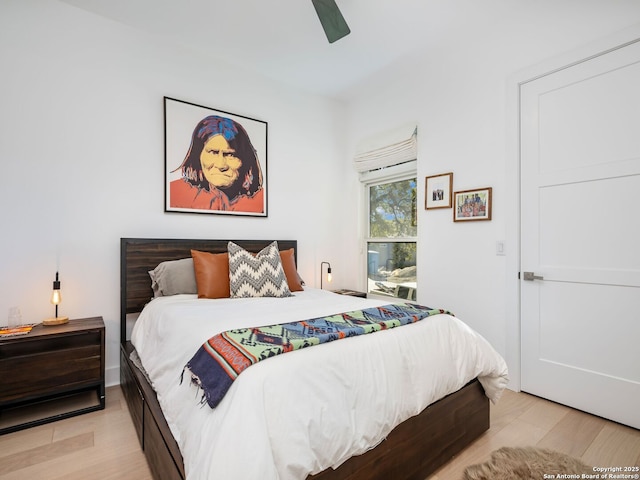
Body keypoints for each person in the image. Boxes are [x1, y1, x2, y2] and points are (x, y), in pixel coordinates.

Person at [169, 115, 264, 213]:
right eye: (213, 152)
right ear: (198, 155)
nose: (221, 165)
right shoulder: (173, 193)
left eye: (230, 154)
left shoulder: (263, 201)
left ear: (245, 159)